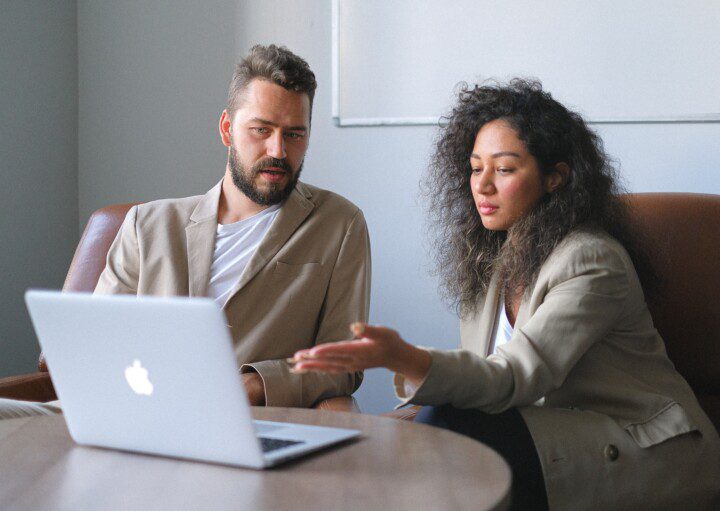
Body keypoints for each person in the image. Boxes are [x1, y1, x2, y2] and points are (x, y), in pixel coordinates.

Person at [290, 79, 720, 510]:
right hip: (551, 434)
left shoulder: (591, 261)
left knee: (449, 429)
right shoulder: (493, 261)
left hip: (643, 449)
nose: (483, 185)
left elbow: (513, 377)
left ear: (555, 177)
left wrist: (402, 357)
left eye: (505, 168)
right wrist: (382, 427)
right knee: (408, 438)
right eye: (476, 167)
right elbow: (478, 379)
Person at [0, 44, 370, 418]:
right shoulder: (148, 224)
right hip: (128, 410)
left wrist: (258, 384)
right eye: (261, 129)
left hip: (242, 422)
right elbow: (97, 344)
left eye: (294, 134)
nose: (278, 149)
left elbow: (346, 360)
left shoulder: (338, 224)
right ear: (227, 129)